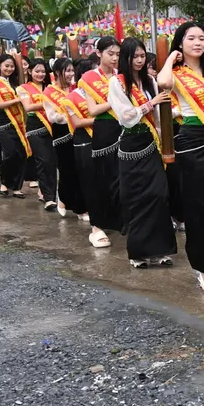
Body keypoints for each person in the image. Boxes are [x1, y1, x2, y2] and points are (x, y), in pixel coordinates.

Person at [156, 22, 204, 296]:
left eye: (201, 38)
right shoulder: (177, 73)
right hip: (191, 143)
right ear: (181, 43)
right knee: (200, 207)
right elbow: (163, 84)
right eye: (191, 38)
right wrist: (170, 58)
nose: (198, 43)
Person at [108, 37, 176, 269]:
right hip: (131, 145)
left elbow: (158, 117)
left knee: (158, 195)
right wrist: (151, 103)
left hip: (151, 144)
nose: (139, 60)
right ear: (126, 59)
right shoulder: (116, 83)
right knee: (136, 198)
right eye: (134, 56)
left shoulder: (150, 82)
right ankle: (138, 252)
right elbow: (125, 116)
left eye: (141, 56)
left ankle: (160, 250)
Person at [80, 37, 123, 249]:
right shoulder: (89, 77)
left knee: (122, 177)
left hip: (125, 127)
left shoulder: (121, 75)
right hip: (104, 131)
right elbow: (93, 110)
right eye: (110, 54)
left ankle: (120, 220)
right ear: (99, 53)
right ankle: (97, 226)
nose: (115, 58)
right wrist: (117, 100)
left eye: (117, 54)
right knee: (102, 178)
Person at [0, 54, 30, 199]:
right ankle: (5, 183)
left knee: (21, 154)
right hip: (3, 122)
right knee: (10, 153)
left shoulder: (17, 84)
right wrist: (17, 100)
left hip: (20, 122)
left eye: (12, 66)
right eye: (6, 66)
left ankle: (17, 187)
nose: (9, 69)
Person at [45, 58, 85, 219]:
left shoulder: (76, 88)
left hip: (80, 131)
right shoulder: (49, 92)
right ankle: (65, 199)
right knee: (68, 170)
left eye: (71, 71)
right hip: (62, 134)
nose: (70, 74)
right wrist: (70, 115)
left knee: (80, 170)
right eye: (67, 71)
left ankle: (79, 206)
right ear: (57, 72)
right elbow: (52, 116)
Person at [19, 59, 59, 212]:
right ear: (29, 71)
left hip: (53, 126)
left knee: (52, 163)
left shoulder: (52, 87)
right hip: (35, 127)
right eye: (37, 71)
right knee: (43, 161)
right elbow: (28, 106)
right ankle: (49, 198)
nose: (40, 74)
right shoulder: (24, 88)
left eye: (43, 71)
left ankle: (47, 193)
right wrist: (48, 102)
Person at [66, 58, 96, 224]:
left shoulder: (102, 92)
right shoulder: (72, 97)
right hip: (84, 140)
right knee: (87, 178)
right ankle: (84, 208)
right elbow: (77, 123)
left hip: (102, 139)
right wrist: (102, 119)